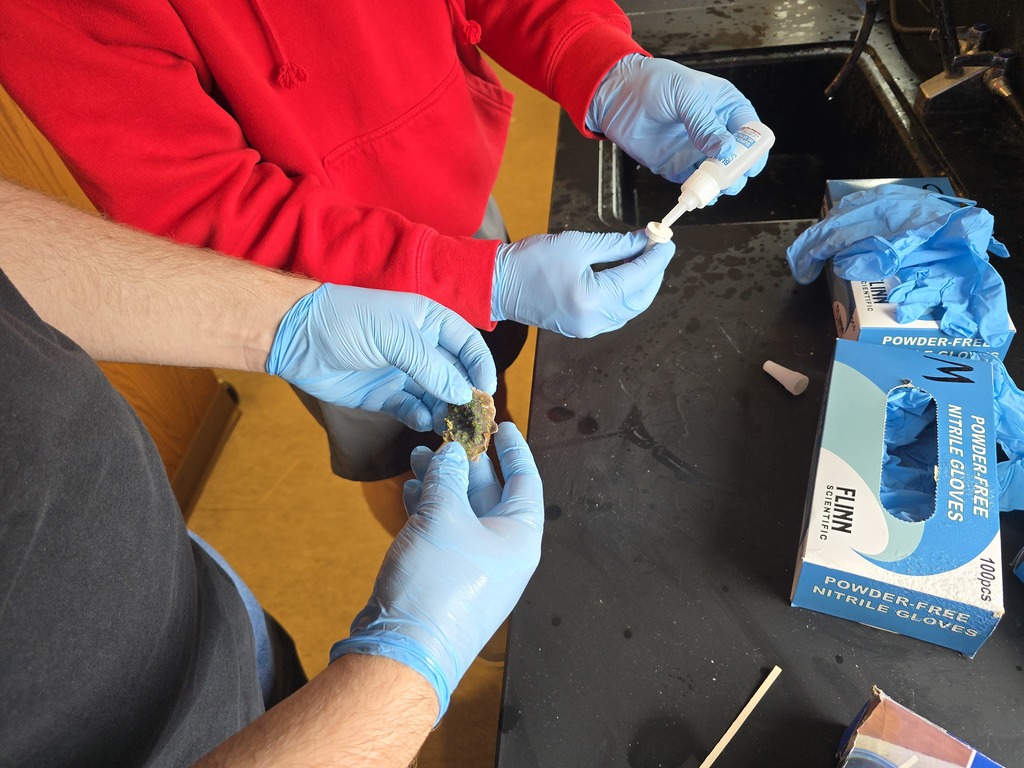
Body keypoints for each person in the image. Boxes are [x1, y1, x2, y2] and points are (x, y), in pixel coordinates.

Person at [0, 1, 765, 482]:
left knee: (495, 379)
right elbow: (196, 205)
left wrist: (598, 62)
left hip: (459, 205)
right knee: (403, 459)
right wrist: (471, 277)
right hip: (326, 301)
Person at [0, 178, 544, 767]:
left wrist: (286, 323)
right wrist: (409, 664)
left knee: (269, 672)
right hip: (156, 746)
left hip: (194, 604)